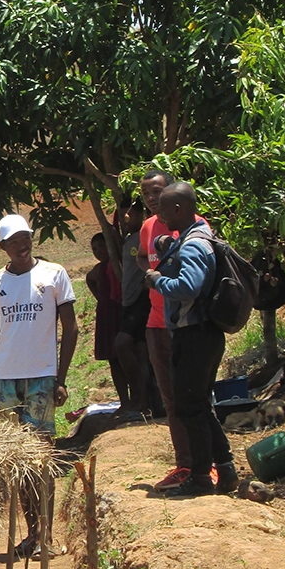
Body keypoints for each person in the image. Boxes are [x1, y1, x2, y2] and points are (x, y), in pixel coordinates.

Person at [0, 213, 78, 554]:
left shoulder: (53, 275)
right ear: (2, 246)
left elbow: (71, 329)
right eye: (14, 242)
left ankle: (46, 536)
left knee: (41, 457)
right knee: (19, 462)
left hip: (40, 377)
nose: (22, 246)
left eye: (26, 239)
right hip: (6, 380)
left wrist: (60, 378)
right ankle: (33, 532)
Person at [145, 184, 237, 497]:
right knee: (198, 405)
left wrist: (158, 281)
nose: (158, 214)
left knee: (189, 407)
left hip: (195, 334)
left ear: (179, 210)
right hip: (200, 334)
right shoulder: (193, 238)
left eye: (164, 209)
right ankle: (225, 470)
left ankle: (201, 476)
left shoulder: (195, 245)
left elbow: (188, 286)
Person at [137, 167, 212, 490]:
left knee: (196, 395)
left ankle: (206, 465)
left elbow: (193, 282)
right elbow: (143, 257)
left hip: (189, 324)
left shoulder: (193, 227)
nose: (152, 199)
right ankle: (185, 464)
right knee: (171, 399)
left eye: (157, 192)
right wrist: (152, 270)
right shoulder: (148, 228)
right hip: (157, 322)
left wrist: (161, 277)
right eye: (146, 194)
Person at [112, 196, 152, 418]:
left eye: (130, 215)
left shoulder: (142, 237)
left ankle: (138, 398)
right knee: (139, 350)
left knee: (122, 344)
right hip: (128, 301)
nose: (125, 219)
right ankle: (142, 403)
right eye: (122, 215)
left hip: (139, 300)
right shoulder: (129, 239)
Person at [86, 231, 128, 408]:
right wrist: (103, 301)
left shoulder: (120, 265)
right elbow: (90, 279)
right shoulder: (98, 270)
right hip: (107, 317)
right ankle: (125, 401)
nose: (98, 251)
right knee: (114, 360)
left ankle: (137, 399)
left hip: (122, 314)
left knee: (128, 357)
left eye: (101, 246)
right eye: (94, 249)